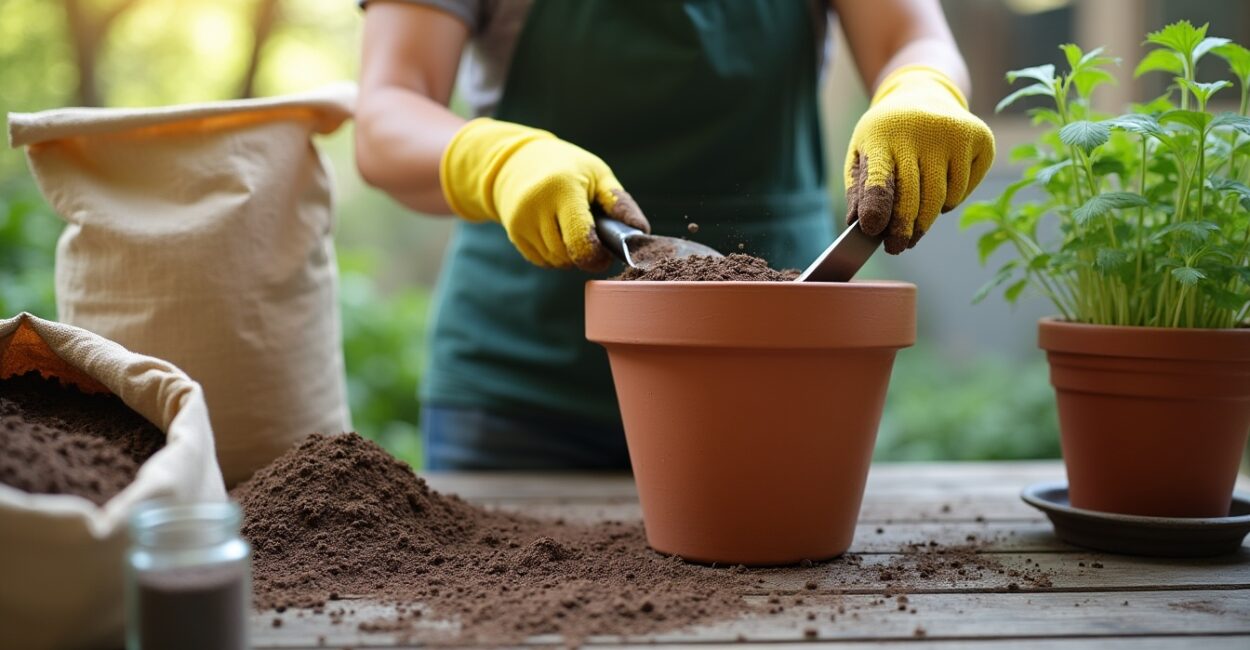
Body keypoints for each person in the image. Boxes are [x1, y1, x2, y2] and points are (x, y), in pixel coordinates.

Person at [355, 0, 994, 470]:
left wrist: (922, 88)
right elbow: (387, 110)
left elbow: (911, 36)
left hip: (777, 370)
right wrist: (496, 161)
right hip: (526, 392)